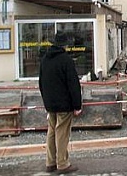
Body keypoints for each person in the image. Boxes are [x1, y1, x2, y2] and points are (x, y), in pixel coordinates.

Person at [39, 32, 82, 174]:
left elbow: (41, 82)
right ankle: (62, 163)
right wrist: (77, 106)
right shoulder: (66, 60)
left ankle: (50, 163)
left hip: (50, 103)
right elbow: (73, 85)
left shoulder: (45, 59)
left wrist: (46, 100)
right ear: (65, 45)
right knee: (62, 133)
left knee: (51, 131)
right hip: (64, 104)